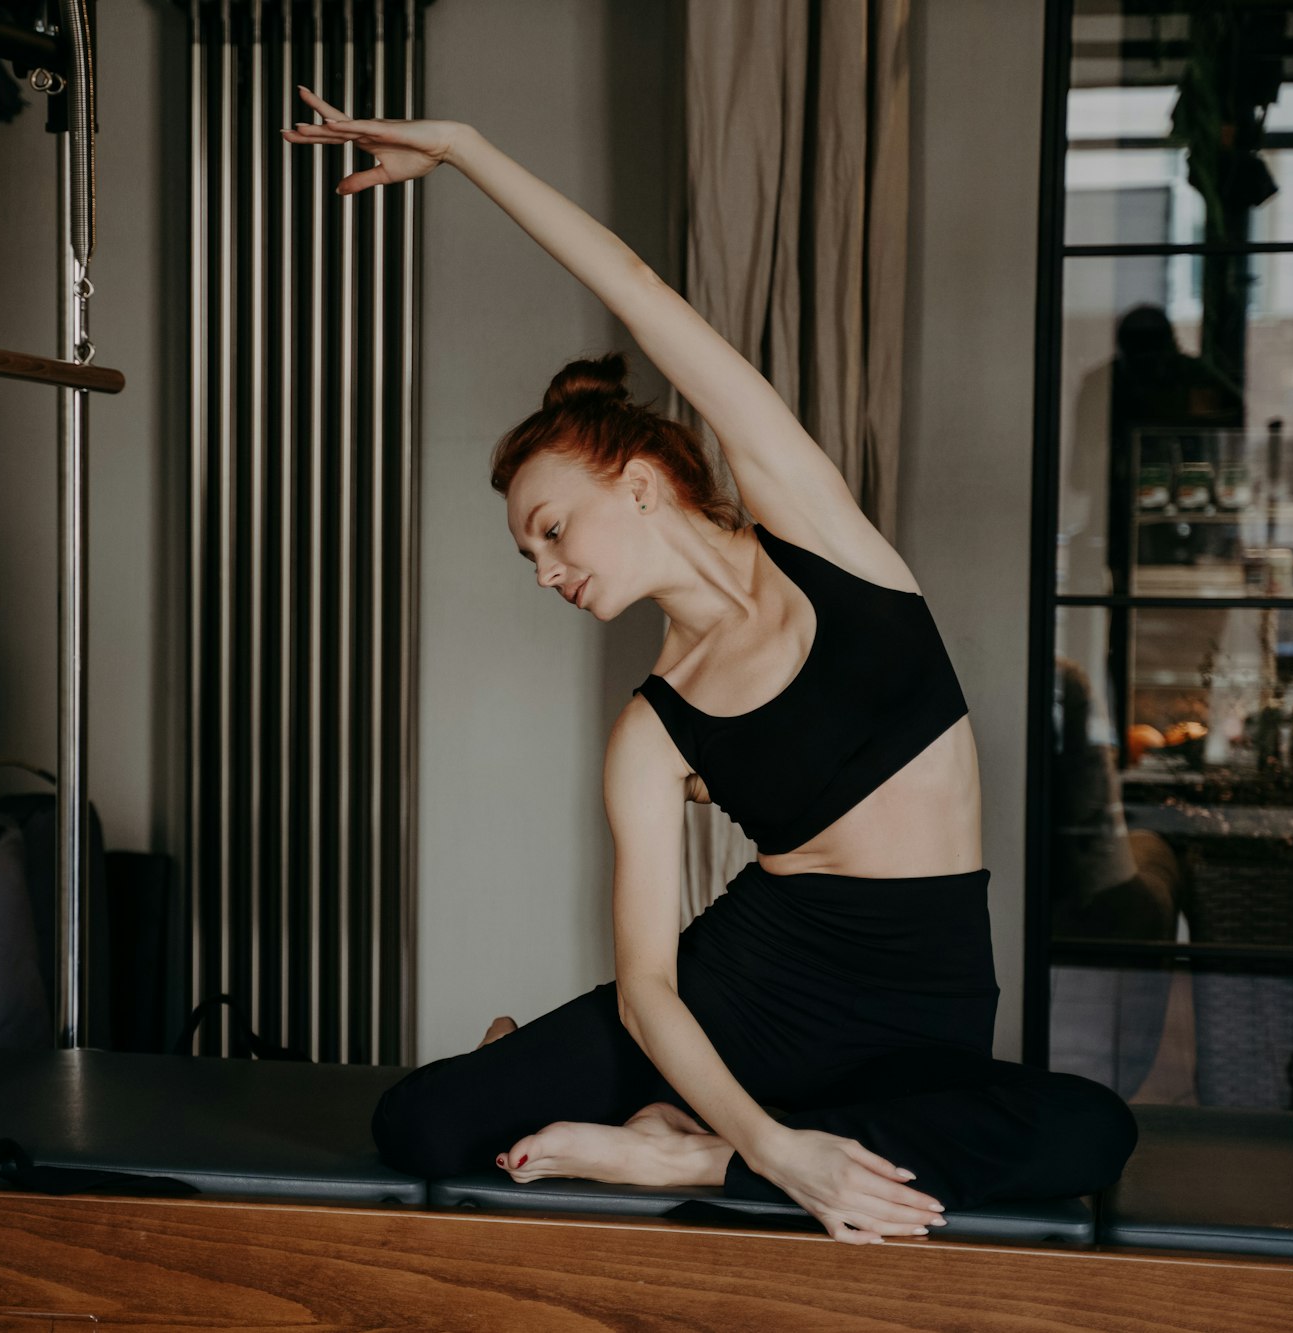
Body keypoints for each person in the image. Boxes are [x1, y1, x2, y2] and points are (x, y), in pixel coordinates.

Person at [284, 89, 1138, 1245]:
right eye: (525, 551)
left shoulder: (822, 541)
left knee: (1089, 1131)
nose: (542, 568)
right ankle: (700, 1131)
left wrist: (467, 150)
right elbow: (646, 986)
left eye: (550, 527)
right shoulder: (652, 728)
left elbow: (637, 288)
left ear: (636, 480)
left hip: (926, 1001)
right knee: (420, 1123)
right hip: (752, 994)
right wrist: (781, 1152)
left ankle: (682, 1148)